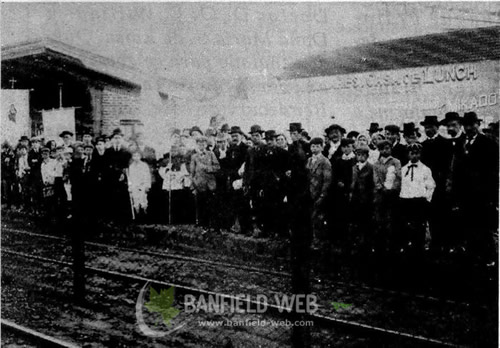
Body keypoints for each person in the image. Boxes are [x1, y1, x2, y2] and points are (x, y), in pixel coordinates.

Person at [455, 112, 498, 264]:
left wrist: (492, 197)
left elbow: (493, 173)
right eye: (466, 125)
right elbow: (457, 170)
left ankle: (489, 259)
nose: (469, 128)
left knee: (484, 228)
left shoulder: (489, 143)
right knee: (468, 227)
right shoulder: (460, 143)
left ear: (478, 125)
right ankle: (473, 258)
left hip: (482, 194)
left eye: (472, 124)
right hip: (465, 194)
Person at [420, 115, 450, 253]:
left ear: (437, 127)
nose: (428, 129)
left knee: (442, 216)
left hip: (441, 186)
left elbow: (448, 166)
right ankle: (435, 245)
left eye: (431, 126)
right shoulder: (423, 146)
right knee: (430, 216)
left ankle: (444, 244)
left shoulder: (446, 143)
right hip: (427, 187)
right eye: (426, 127)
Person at [399, 143, 435, 254]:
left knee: (419, 227)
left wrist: (426, 200)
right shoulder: (403, 169)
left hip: (419, 202)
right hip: (406, 201)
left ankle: (418, 249)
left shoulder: (425, 169)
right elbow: (401, 185)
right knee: (406, 226)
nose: (414, 156)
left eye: (417, 153)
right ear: (408, 155)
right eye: (412, 153)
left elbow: (431, 186)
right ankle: (407, 248)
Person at [259, 130, 289, 237]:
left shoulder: (283, 153)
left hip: (279, 186)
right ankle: (268, 230)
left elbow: (286, 170)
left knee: (279, 208)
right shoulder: (263, 153)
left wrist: (280, 179)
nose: (269, 142)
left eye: (271, 140)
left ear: (275, 140)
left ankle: (280, 232)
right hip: (267, 185)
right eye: (267, 140)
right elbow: (261, 170)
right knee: (267, 207)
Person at [373, 140, 402, 254]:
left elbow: (398, 177)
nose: (385, 151)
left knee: (391, 219)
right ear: (379, 150)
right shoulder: (376, 163)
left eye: (387, 148)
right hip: (380, 195)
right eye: (382, 149)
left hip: (392, 195)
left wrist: (393, 189)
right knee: (380, 220)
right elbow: (375, 179)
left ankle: (392, 246)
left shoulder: (396, 162)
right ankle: (380, 245)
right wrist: (381, 188)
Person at [350, 145, 375, 260]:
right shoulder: (354, 167)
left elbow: (372, 185)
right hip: (355, 200)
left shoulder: (370, 168)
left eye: (363, 155)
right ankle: (357, 247)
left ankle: (365, 247)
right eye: (358, 155)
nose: (360, 157)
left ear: (367, 156)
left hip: (366, 200)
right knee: (356, 224)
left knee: (366, 224)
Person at [306, 137, 332, 249]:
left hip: (319, 194)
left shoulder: (325, 161)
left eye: (317, 146)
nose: (314, 148)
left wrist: (322, 195)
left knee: (319, 219)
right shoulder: (309, 160)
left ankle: (319, 241)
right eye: (312, 146)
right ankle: (312, 239)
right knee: (311, 217)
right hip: (309, 193)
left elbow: (327, 180)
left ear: (322, 147)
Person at [330, 138, 356, 246]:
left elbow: (354, 175)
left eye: (348, 147)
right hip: (339, 191)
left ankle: (350, 239)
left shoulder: (354, 160)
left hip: (350, 189)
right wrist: (338, 181)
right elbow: (335, 174)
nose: (346, 149)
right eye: (344, 147)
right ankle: (340, 238)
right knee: (339, 214)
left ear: (352, 147)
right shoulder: (338, 160)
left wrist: (347, 184)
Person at [190, 136, 220, 229]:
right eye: (199, 144)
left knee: (211, 205)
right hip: (199, 184)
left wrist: (208, 168)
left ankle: (213, 225)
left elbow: (217, 167)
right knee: (201, 204)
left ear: (206, 145)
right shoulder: (194, 157)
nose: (201, 145)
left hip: (210, 184)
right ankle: (203, 224)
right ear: (197, 145)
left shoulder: (211, 154)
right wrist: (193, 186)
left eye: (203, 144)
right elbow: (192, 172)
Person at [226, 126, 251, 234]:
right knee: (234, 204)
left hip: (242, 180)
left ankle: (247, 228)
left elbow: (248, 166)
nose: (234, 138)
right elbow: (228, 165)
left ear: (241, 136)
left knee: (244, 205)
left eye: (236, 136)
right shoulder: (230, 149)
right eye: (232, 136)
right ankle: (236, 227)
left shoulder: (246, 149)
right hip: (232, 180)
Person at [243, 125, 267, 235]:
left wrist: (264, 184)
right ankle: (255, 228)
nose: (255, 138)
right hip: (252, 182)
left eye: (257, 135)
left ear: (261, 136)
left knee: (263, 205)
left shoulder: (266, 149)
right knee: (254, 205)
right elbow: (247, 168)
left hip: (262, 182)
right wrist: (245, 183)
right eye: (253, 136)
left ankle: (263, 228)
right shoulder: (250, 150)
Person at [104, 128, 132, 222]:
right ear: (112, 139)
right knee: (111, 195)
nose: (117, 140)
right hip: (111, 176)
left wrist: (123, 173)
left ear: (122, 139)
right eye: (115, 138)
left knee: (122, 195)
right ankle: (112, 216)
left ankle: (123, 217)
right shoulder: (108, 151)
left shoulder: (126, 151)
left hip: (122, 176)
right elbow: (106, 164)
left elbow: (127, 164)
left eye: (119, 138)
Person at [128, 151, 152, 220]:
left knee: (143, 199)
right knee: (135, 200)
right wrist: (130, 186)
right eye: (134, 156)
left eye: (137, 156)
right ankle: (137, 215)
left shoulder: (144, 165)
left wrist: (147, 185)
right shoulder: (131, 166)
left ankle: (144, 214)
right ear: (132, 157)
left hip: (142, 185)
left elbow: (147, 176)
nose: (136, 158)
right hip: (134, 185)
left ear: (140, 157)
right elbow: (130, 177)